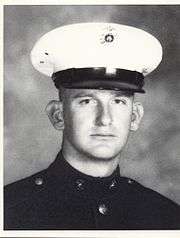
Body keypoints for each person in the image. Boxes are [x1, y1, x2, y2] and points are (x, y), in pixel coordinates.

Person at [4, 22, 180, 230]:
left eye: (118, 101)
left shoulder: (165, 216)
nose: (104, 119)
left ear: (134, 116)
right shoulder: (10, 209)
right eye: (86, 101)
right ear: (58, 115)